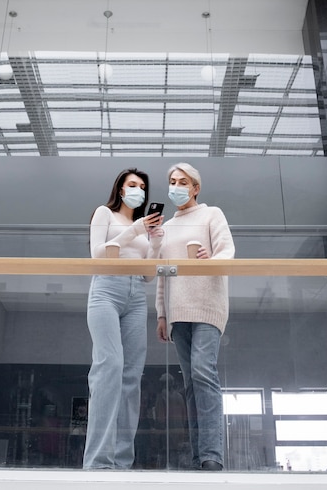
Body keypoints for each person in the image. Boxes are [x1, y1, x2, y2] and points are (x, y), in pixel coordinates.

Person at [155, 163, 235, 471]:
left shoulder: (212, 214)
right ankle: (198, 457)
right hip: (178, 311)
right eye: (173, 181)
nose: (176, 186)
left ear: (195, 187)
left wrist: (210, 259)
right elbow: (162, 274)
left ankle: (212, 455)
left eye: (182, 181)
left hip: (208, 305)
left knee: (204, 372)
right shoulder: (168, 227)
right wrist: (162, 314)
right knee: (190, 384)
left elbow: (227, 251)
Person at [83, 167, 163, 470]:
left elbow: (147, 275)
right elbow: (97, 255)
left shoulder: (142, 228)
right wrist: (135, 230)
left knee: (131, 376)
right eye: (132, 185)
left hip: (135, 294)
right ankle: (98, 462)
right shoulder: (104, 213)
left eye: (142, 187)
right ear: (120, 189)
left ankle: (121, 462)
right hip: (106, 289)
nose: (138, 191)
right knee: (109, 367)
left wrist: (154, 243)